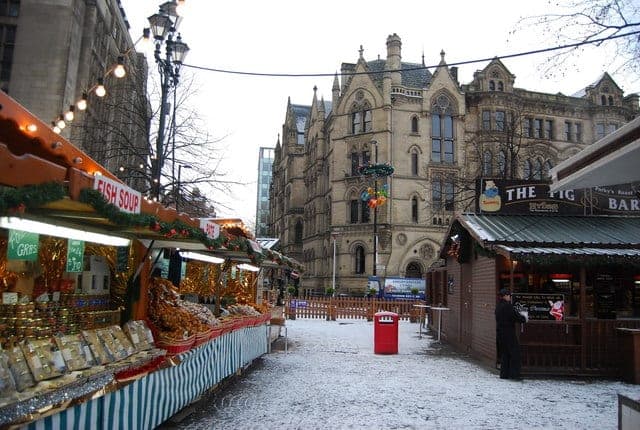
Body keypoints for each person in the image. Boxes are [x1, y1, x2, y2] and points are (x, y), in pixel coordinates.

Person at [495, 288, 527, 380]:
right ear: (505, 296)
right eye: (509, 295)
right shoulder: (507, 306)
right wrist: (523, 318)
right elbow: (514, 316)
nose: (510, 297)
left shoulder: (498, 306)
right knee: (514, 353)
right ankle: (514, 374)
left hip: (500, 332)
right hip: (508, 332)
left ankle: (504, 374)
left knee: (505, 354)